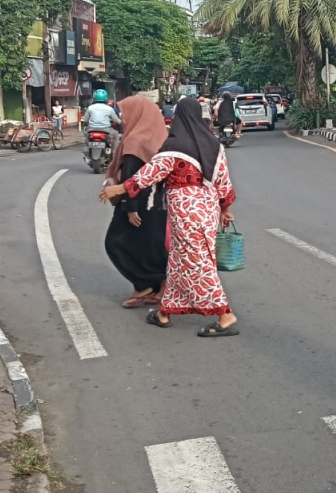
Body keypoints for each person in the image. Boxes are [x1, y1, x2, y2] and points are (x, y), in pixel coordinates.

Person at [99, 95, 239, 336]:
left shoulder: (174, 148)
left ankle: (225, 315)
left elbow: (149, 174)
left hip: (186, 214)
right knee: (178, 261)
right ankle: (165, 312)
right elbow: (223, 183)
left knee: (198, 264)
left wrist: (120, 188)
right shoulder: (214, 146)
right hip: (207, 212)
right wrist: (225, 209)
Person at [104, 97, 170, 309]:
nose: (122, 118)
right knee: (151, 247)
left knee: (115, 242)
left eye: (125, 113)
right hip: (159, 203)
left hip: (138, 204)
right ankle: (160, 287)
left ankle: (144, 285)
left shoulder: (134, 141)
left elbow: (131, 177)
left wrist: (130, 208)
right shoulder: (162, 138)